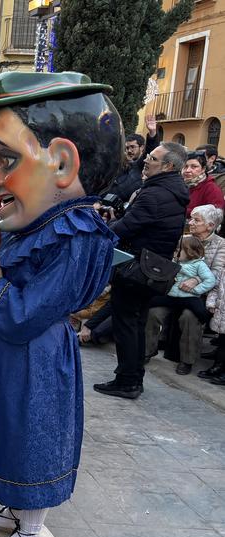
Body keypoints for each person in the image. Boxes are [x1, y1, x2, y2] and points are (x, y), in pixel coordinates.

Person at [0, 71, 120, 537]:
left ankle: (30, 531)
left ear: (62, 162)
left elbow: (35, 311)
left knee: (33, 431)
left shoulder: (77, 233)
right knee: (10, 425)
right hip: (15, 354)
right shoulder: (39, 222)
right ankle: (14, 506)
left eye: (5, 160)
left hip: (36, 355)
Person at [95, 142, 190, 399]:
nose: (146, 161)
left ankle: (127, 381)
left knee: (127, 324)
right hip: (151, 269)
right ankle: (132, 378)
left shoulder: (155, 193)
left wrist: (105, 226)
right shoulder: (171, 191)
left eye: (153, 158)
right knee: (136, 323)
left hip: (136, 268)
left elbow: (127, 228)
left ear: (168, 166)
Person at [145, 205, 224, 373]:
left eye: (197, 220)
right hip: (174, 289)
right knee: (154, 312)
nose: (191, 222)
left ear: (210, 225)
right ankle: (146, 351)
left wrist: (195, 279)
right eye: (191, 218)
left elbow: (218, 273)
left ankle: (187, 360)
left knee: (189, 317)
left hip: (198, 294)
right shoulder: (183, 238)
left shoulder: (220, 244)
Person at [101, 114, 159, 214]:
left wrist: (152, 134)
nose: (129, 151)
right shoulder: (115, 169)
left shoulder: (138, 166)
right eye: (127, 148)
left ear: (141, 147)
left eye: (132, 147)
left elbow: (150, 152)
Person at [202, 262, 225, 385]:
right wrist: (211, 303)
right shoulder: (223, 270)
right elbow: (215, 289)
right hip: (221, 313)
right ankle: (218, 366)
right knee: (222, 342)